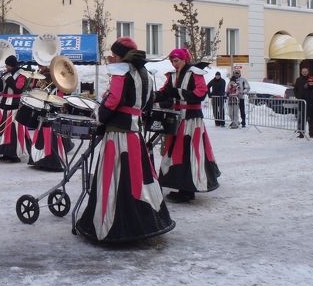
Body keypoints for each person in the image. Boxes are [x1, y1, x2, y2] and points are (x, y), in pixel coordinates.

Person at [75, 37, 174, 243]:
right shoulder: (144, 72)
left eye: (114, 54)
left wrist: (99, 117)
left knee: (115, 176)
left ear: (119, 55)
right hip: (134, 132)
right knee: (137, 176)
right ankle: (144, 222)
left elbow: (113, 100)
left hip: (118, 132)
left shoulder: (121, 70)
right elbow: (148, 101)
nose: (112, 58)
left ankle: (111, 224)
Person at [154, 48, 221, 203]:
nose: (173, 63)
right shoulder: (172, 75)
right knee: (176, 153)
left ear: (184, 59)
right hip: (178, 119)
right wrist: (151, 97)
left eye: (176, 60)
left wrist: (178, 93)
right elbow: (164, 92)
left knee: (188, 153)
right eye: (171, 61)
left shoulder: (195, 73)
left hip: (191, 120)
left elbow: (200, 93)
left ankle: (187, 190)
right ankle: (181, 186)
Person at [27, 65, 69, 171]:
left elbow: (60, 100)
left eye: (44, 80)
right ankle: (39, 159)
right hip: (43, 111)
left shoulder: (57, 88)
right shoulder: (45, 86)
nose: (42, 83)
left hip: (52, 113)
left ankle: (49, 160)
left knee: (49, 136)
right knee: (40, 135)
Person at [0, 55, 27, 162]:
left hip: (15, 103)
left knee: (13, 129)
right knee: (3, 129)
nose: (6, 67)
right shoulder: (6, 73)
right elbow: (1, 89)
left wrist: (9, 78)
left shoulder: (21, 74)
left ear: (12, 65)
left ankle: (14, 154)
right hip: (4, 103)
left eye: (8, 65)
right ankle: (5, 152)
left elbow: (18, 89)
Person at [293, 67, 310, 138]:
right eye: (303, 71)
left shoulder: (310, 79)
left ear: (308, 72)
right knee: (301, 117)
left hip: (309, 102)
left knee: (310, 119)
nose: (304, 73)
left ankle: (311, 133)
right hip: (301, 102)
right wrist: (298, 97)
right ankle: (301, 132)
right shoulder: (298, 79)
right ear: (301, 72)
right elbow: (295, 89)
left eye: (306, 71)